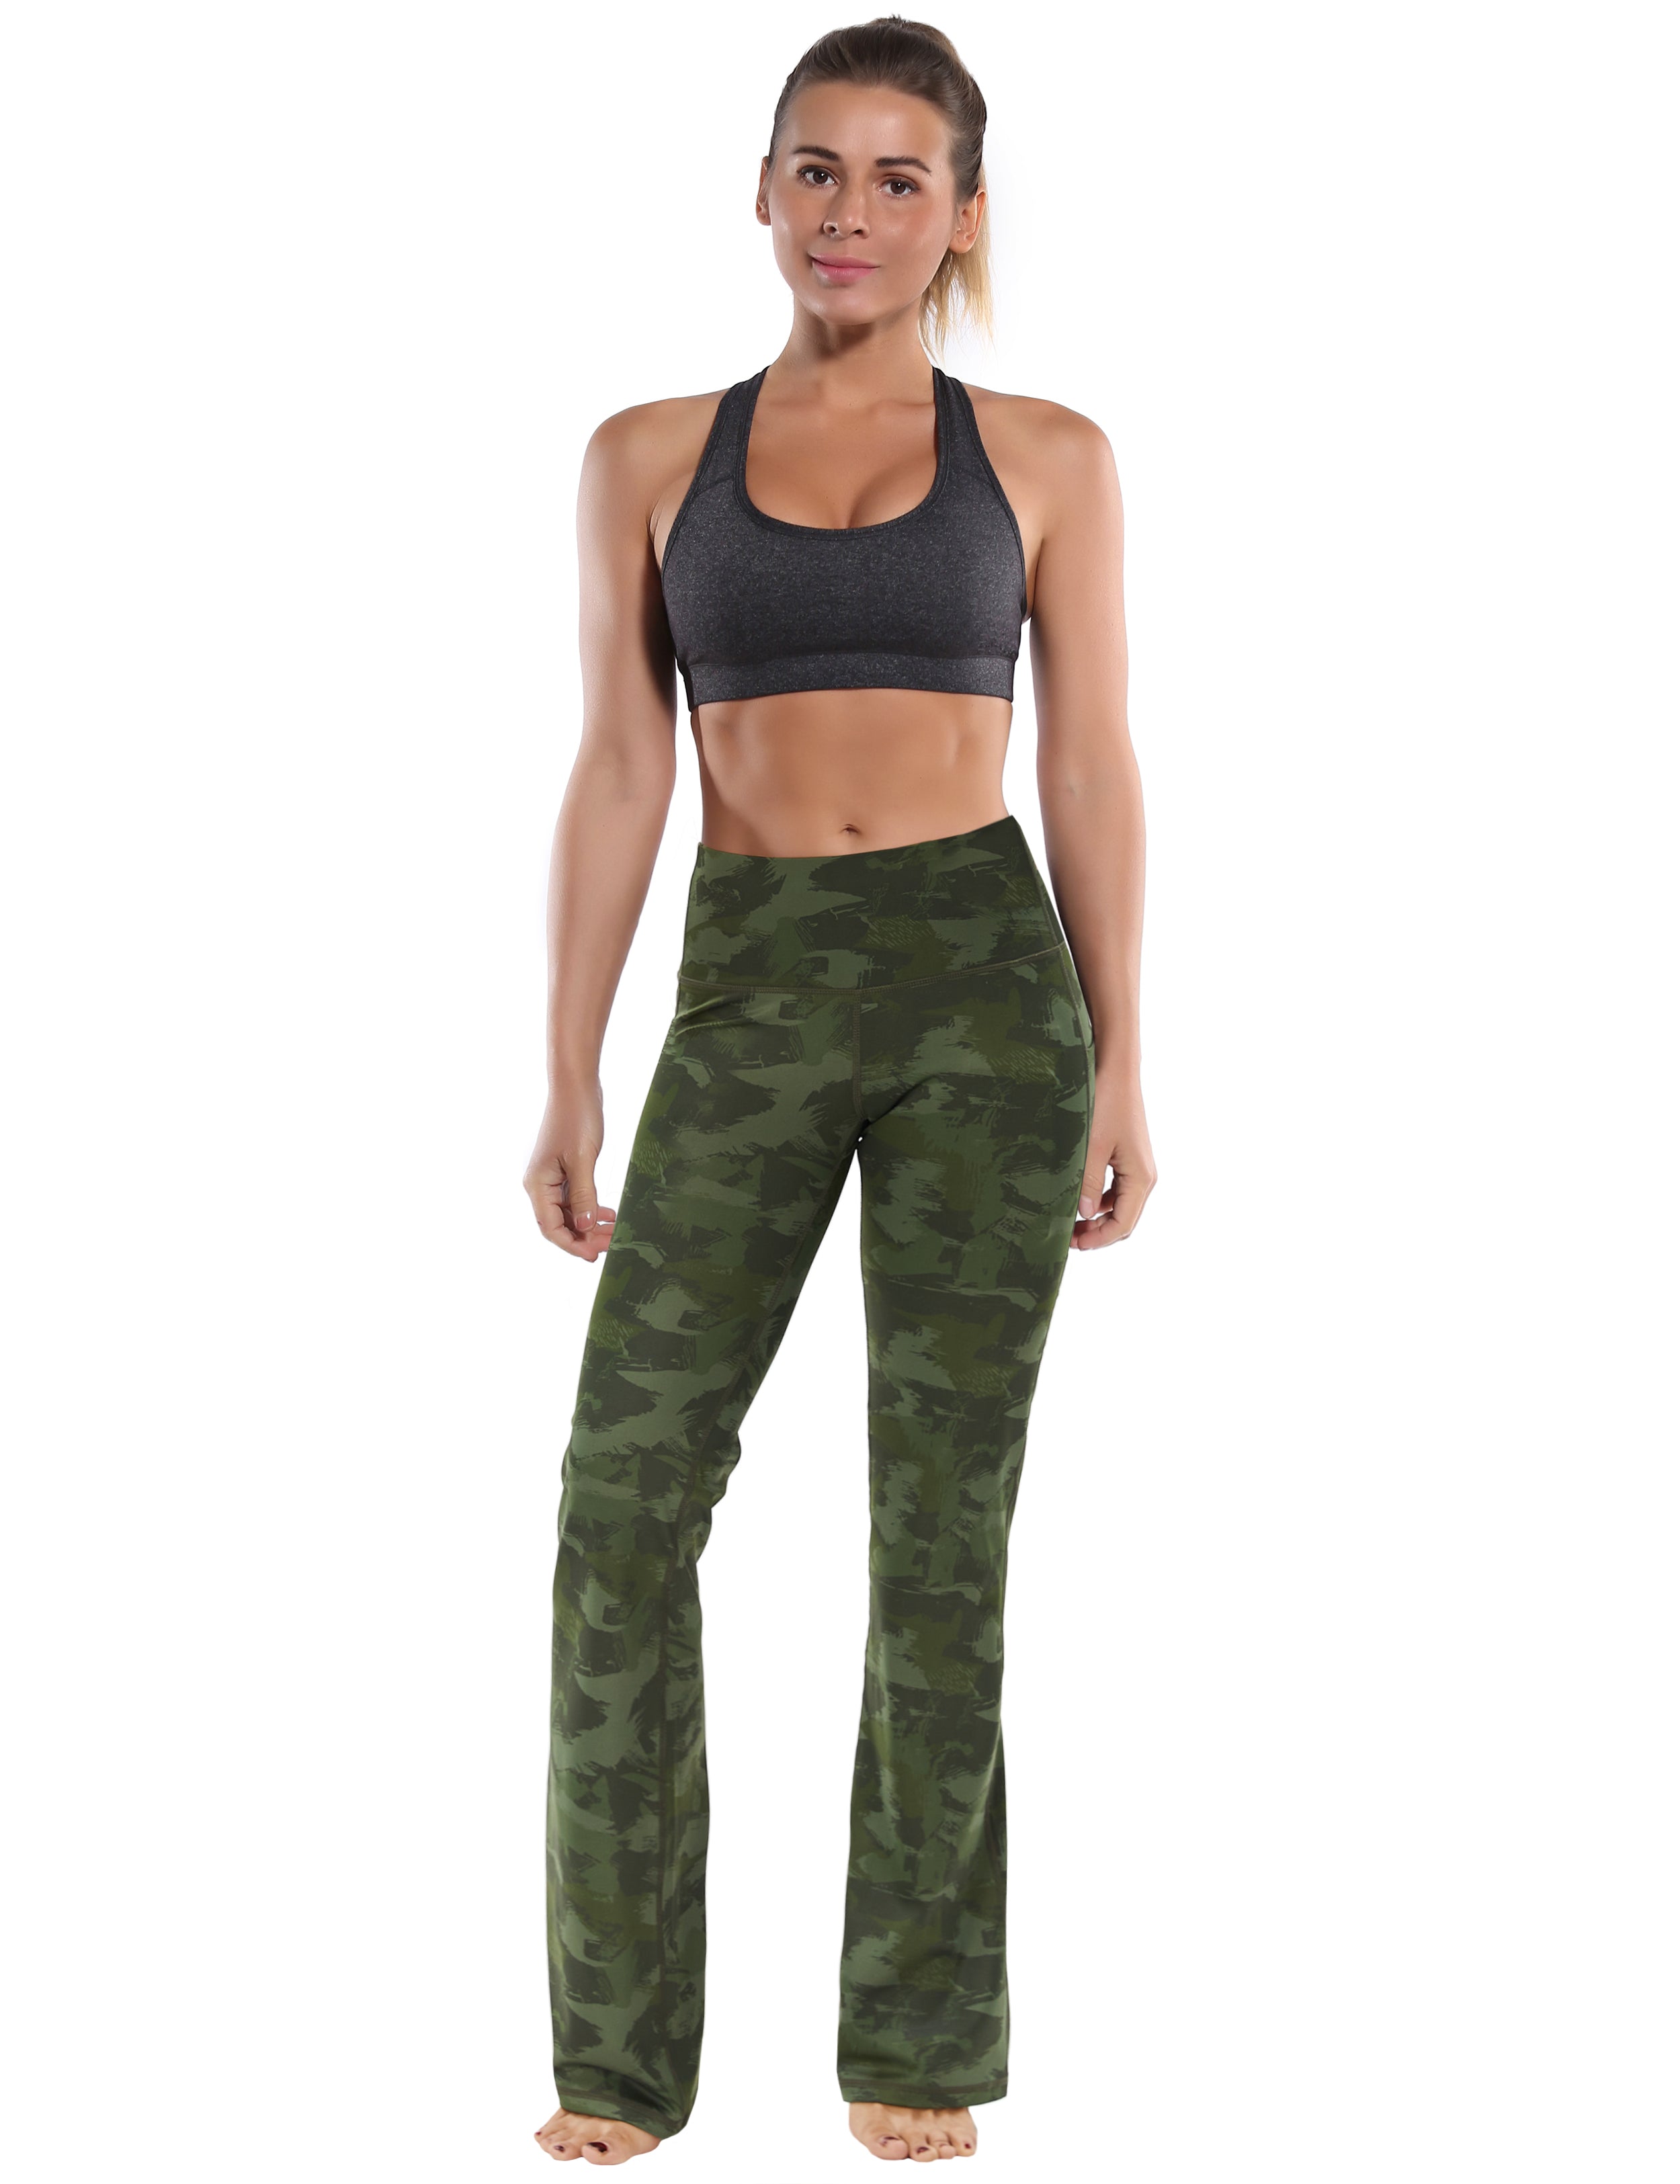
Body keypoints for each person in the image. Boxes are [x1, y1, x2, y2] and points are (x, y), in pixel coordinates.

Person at [523, 16, 1154, 2166]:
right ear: (761, 190)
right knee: (623, 1504)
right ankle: (618, 2055)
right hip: (750, 984)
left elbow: (1090, 763)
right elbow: (621, 766)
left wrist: (1124, 1053)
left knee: (939, 1528)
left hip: (983, 986)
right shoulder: (644, 455)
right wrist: (568, 1068)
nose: (850, 213)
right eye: (816, 169)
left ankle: (916, 2029)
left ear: (961, 213)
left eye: (898, 178)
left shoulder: (1046, 454)